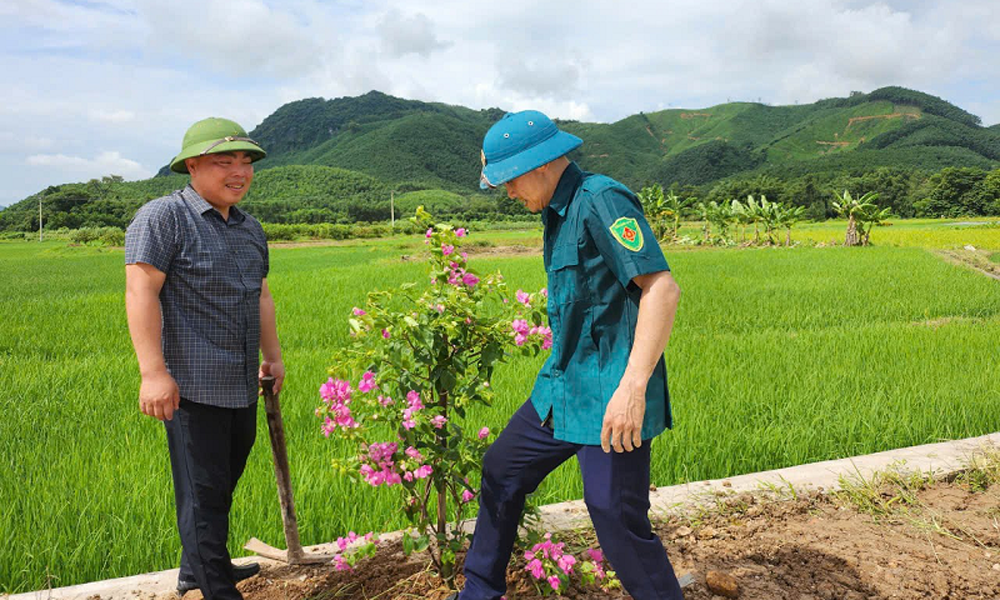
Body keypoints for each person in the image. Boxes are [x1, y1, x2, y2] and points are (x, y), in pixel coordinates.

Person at [453, 111, 684, 600]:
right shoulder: (555, 213)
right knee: (501, 470)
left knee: (614, 515)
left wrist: (632, 387)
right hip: (562, 385)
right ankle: (478, 592)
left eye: (510, 181)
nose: (509, 193)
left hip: (610, 393)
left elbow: (661, 288)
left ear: (539, 165)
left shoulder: (601, 200)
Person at [124, 117, 284, 600]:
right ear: (192, 165)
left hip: (239, 382)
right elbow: (140, 289)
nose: (239, 171)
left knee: (218, 487)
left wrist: (272, 357)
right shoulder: (163, 217)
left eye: (245, 162)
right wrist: (152, 373)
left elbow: (260, 295)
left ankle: (196, 570)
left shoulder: (249, 227)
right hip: (192, 385)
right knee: (203, 493)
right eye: (224, 161)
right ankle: (216, 587)